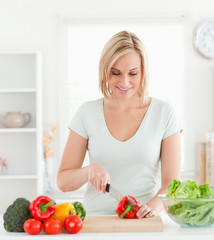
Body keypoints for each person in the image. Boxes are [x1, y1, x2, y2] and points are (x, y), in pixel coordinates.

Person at [57, 30, 182, 218]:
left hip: (142, 221)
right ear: (105, 71)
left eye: (133, 73)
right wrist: (89, 171)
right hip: (94, 220)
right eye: (115, 73)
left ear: (144, 72)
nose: (124, 82)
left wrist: (150, 209)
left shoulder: (164, 113)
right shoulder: (87, 113)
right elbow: (63, 182)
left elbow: (171, 185)